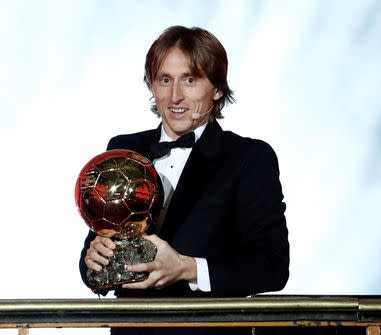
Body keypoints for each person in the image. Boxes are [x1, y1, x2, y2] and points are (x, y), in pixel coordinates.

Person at [79, 25, 289, 335]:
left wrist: (186, 268)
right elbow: (93, 261)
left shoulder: (248, 158)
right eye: (165, 80)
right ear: (152, 85)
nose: (175, 96)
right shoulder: (124, 149)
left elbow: (272, 267)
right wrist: (94, 262)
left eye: (190, 80)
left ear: (217, 89)